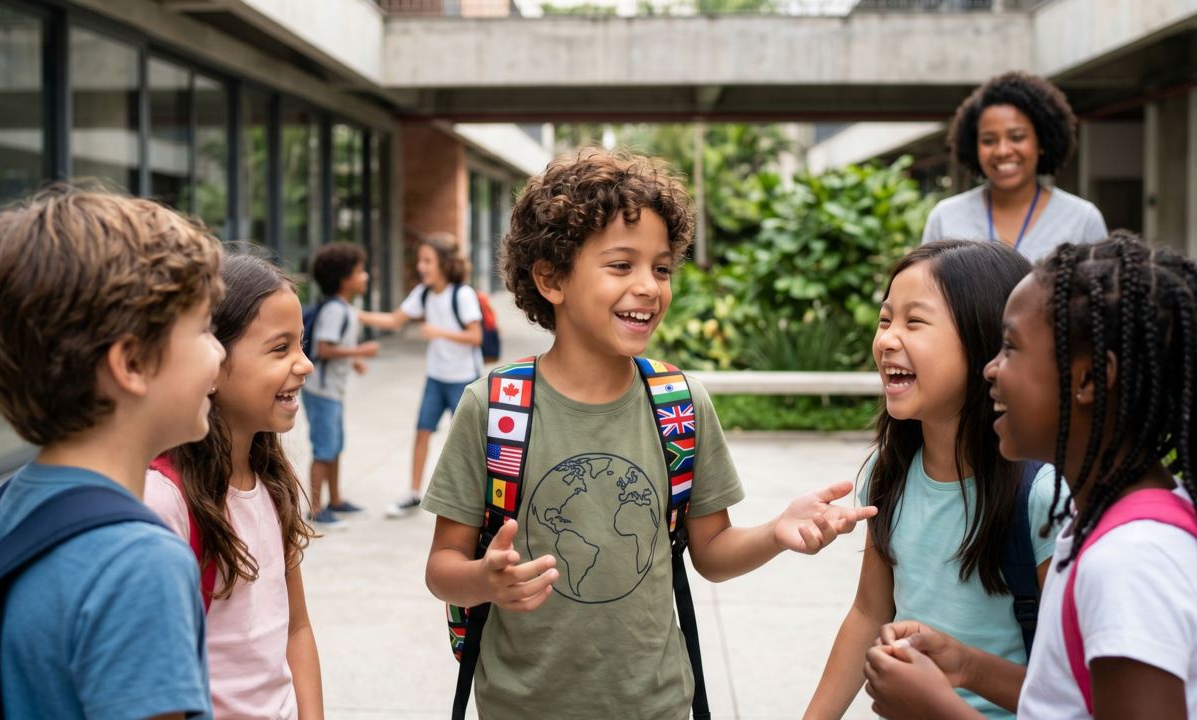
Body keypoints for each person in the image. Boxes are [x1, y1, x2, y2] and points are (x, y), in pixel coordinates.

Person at [421, 148, 877, 719]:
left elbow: (709, 552)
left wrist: (775, 532)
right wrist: (485, 581)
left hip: (657, 704)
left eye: (661, 268)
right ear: (551, 278)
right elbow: (443, 567)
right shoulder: (494, 407)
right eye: (621, 265)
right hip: (519, 706)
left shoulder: (679, 405)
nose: (649, 287)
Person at [864, 232, 1197, 720]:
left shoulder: (1129, 561)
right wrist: (967, 667)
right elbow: (1070, 703)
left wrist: (939, 711)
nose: (990, 370)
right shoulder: (1102, 528)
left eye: (1011, 349)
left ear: (1087, 379)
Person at [0, 186, 224, 719]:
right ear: (132, 364)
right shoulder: (139, 565)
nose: (218, 351)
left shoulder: (12, 503)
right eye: (204, 329)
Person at [803, 240, 1063, 720]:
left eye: (914, 322)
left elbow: (1070, 689)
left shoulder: (1042, 497)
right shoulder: (891, 471)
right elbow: (869, 613)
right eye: (885, 320)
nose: (886, 340)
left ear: (986, 341)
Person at [142, 252, 324, 720]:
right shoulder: (166, 502)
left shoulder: (271, 482)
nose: (303, 365)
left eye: (301, 345)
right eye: (280, 349)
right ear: (211, 364)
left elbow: (297, 629)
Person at [358, 232, 483, 518]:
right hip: (436, 377)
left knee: (467, 441)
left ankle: (471, 499)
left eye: (428, 261)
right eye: (420, 261)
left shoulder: (461, 294)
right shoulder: (423, 293)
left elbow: (475, 336)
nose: (421, 267)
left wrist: (439, 332)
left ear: (445, 263)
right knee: (422, 431)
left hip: (464, 380)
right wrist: (354, 313)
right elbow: (393, 320)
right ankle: (414, 493)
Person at [922, 71, 1107, 262]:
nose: (1002, 151)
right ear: (973, 145)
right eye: (989, 140)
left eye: (1017, 137)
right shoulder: (946, 218)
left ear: (1042, 142)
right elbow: (925, 290)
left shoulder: (1082, 219)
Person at [302, 241, 380, 526]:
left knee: (334, 446)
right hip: (321, 391)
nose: (365, 276)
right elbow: (324, 349)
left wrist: (353, 361)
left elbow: (334, 348)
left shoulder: (343, 308)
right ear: (343, 278)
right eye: (360, 271)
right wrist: (360, 352)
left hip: (331, 391)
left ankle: (335, 500)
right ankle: (315, 508)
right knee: (324, 449)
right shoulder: (336, 310)